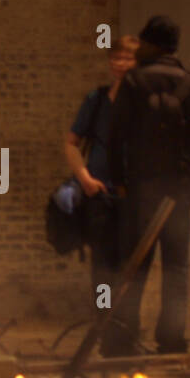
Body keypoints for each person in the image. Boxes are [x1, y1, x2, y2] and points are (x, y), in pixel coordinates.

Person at [105, 16, 190, 357]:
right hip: (178, 192)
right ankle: (171, 341)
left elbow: (115, 138)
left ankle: (123, 339)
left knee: (134, 265)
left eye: (143, 42)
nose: (138, 48)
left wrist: (120, 181)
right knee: (176, 268)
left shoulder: (134, 82)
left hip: (141, 190)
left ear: (155, 44)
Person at [63, 35, 140, 303]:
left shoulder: (143, 103)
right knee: (102, 269)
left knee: (131, 267)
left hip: (133, 196)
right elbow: (71, 144)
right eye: (116, 58)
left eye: (127, 58)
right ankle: (103, 324)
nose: (121, 64)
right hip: (101, 196)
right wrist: (85, 178)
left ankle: (126, 329)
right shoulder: (96, 100)